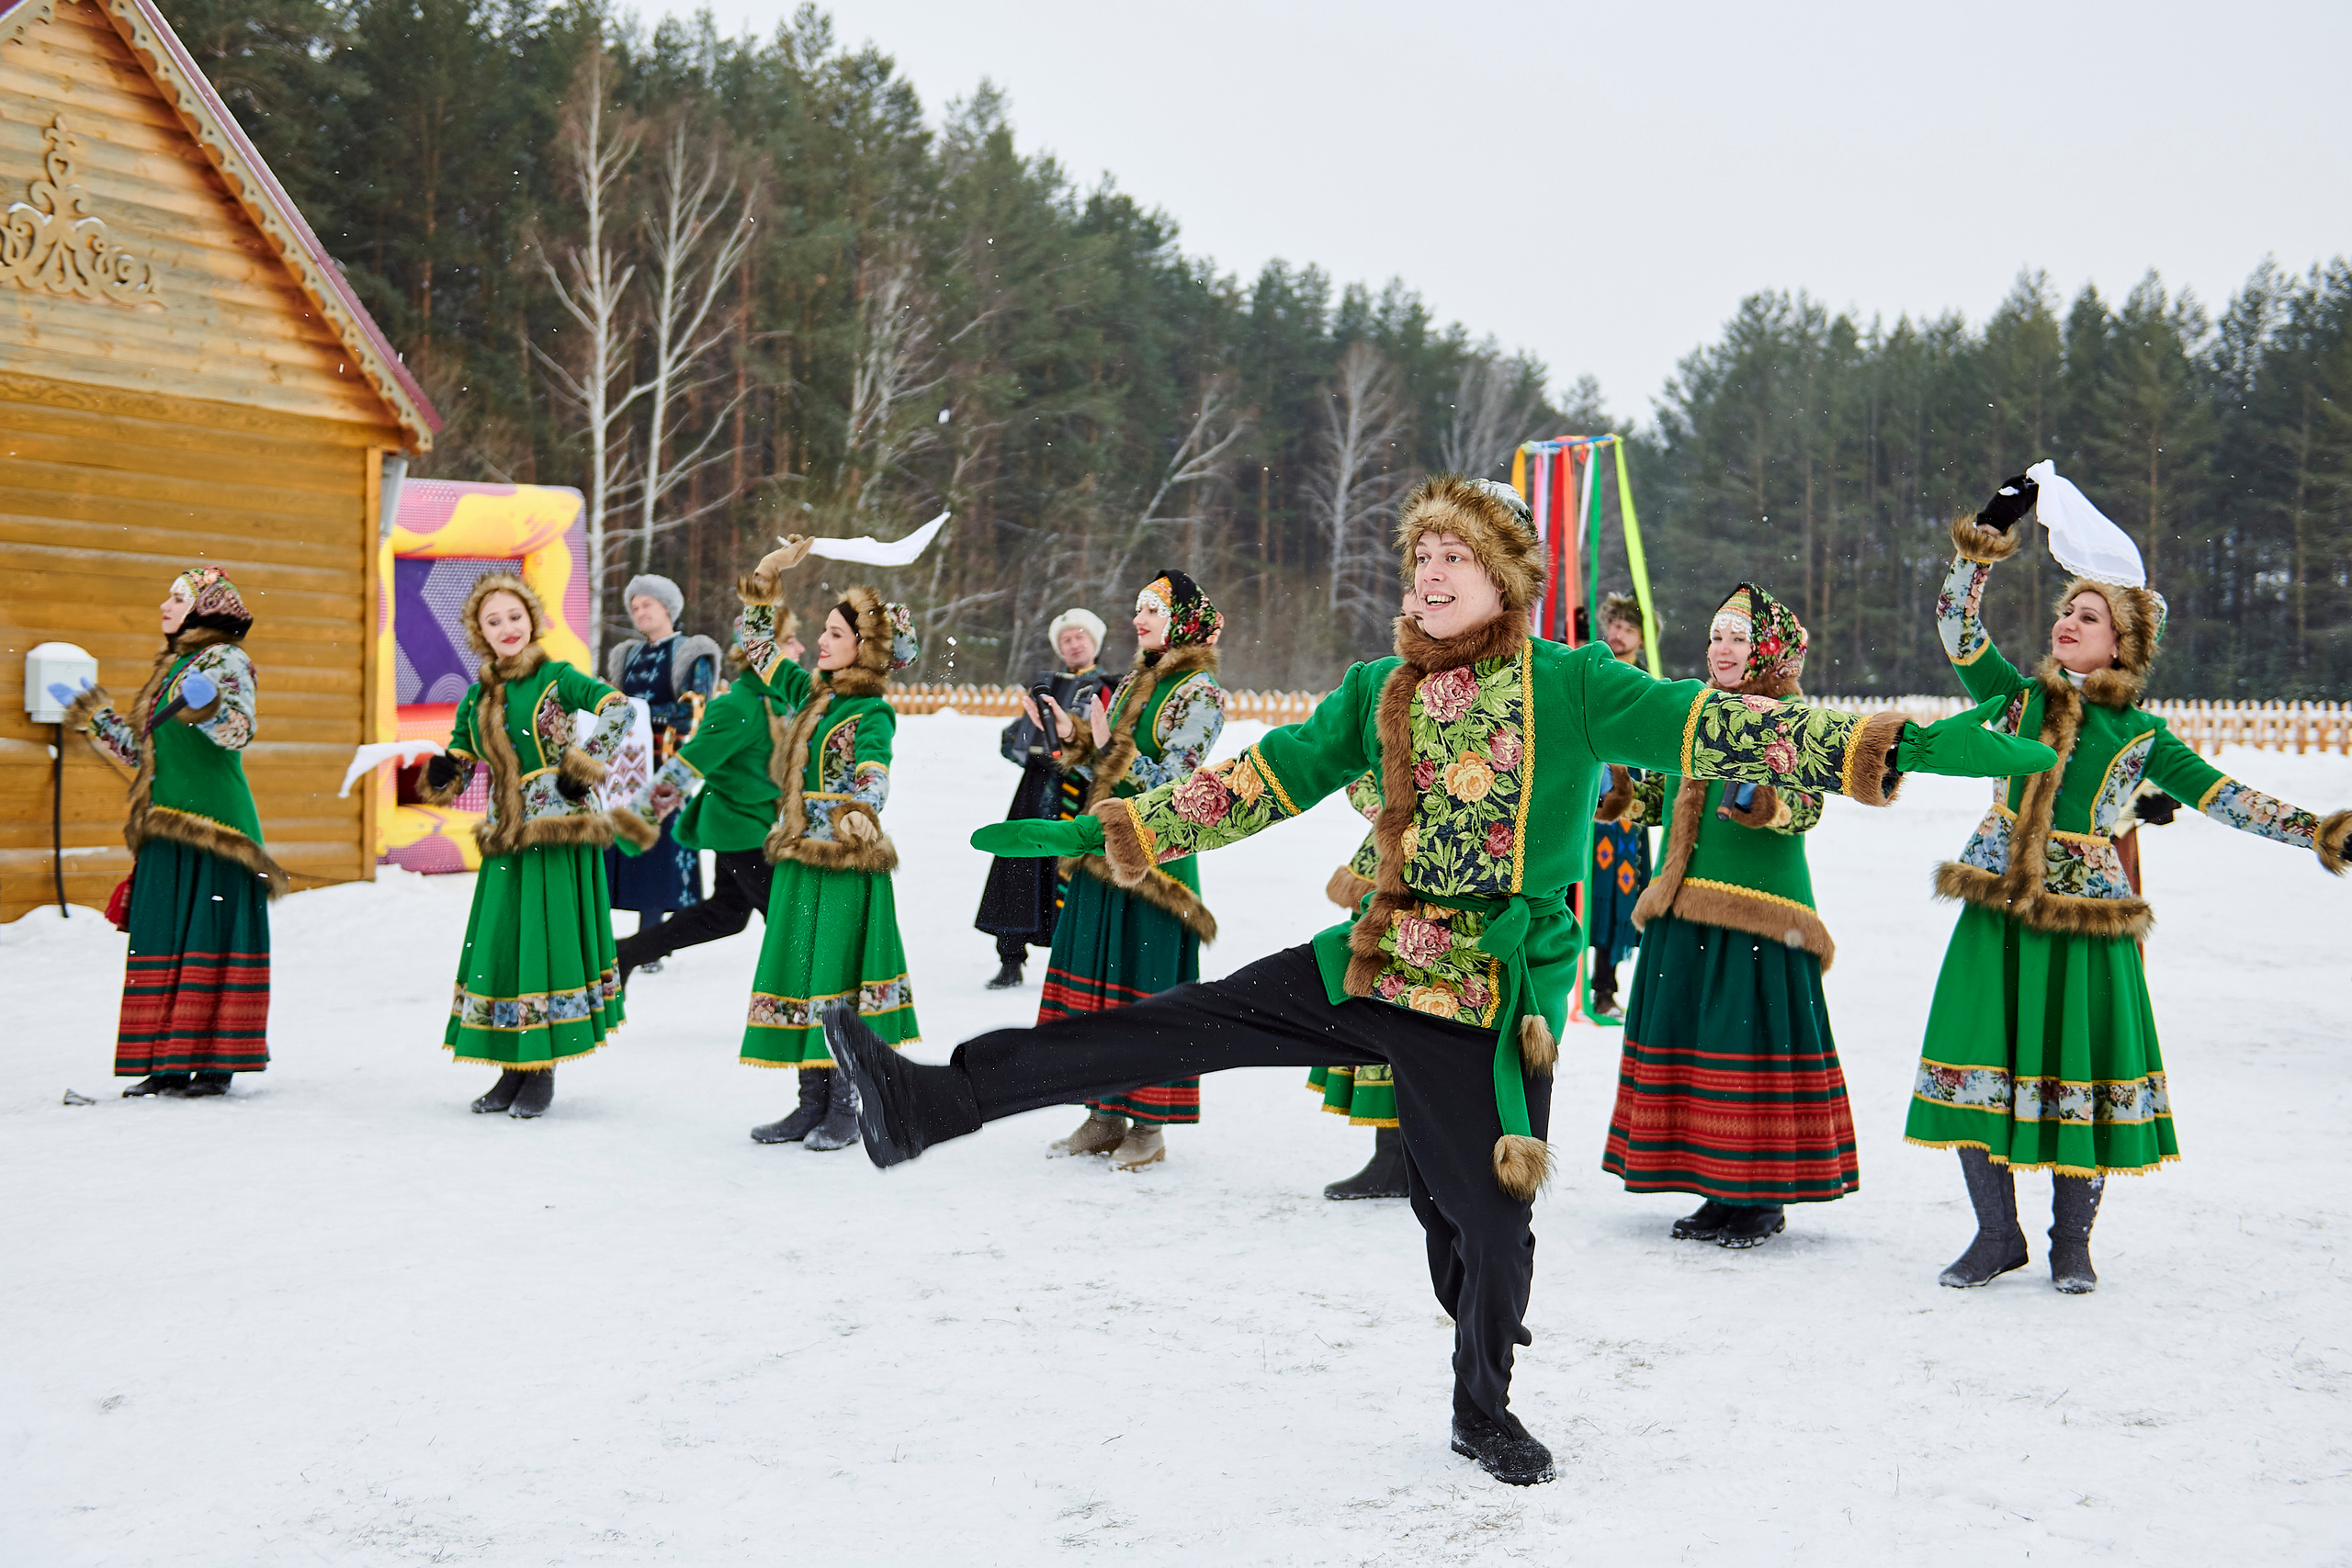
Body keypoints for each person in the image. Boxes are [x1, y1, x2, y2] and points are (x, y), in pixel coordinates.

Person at [813, 474, 2053, 1485]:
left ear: (1504, 579)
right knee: (1160, 1026)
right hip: (1371, 955)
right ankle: (930, 1101)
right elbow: (1266, 779)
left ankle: (1481, 1402)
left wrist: (1912, 740)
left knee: (1485, 1222)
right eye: (1418, 561)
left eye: (1453, 557)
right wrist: (1118, 826)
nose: (1429, 576)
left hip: (1485, 988)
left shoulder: (1572, 683)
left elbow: (1729, 726)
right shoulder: (1382, 690)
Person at [1914, 475, 2351, 1293]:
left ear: (2122, 644)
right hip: (1999, 909)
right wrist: (1984, 538)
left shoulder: (2144, 735)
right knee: (1978, 1056)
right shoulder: (2015, 699)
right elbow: (1957, 626)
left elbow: (2229, 798)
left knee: (2080, 1065)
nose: (2066, 623)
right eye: (2065, 610)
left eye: (2088, 616)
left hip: (2084, 918)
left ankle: (2071, 1243)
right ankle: (1996, 1233)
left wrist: (2319, 829)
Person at [1599, 583, 1856, 1249]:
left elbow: (1807, 807)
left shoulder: (1792, 716)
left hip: (1760, 912)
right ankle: (1718, 1188)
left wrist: (1767, 801)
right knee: (1698, 1043)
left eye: (1737, 638)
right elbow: (1664, 800)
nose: (1722, 648)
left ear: (1766, 649)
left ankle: (1760, 1197)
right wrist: (1621, 789)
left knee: (1749, 1049)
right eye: (1716, 636)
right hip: (1685, 902)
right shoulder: (1699, 711)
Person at [419, 575, 652, 1118]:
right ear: (480, 631)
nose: (506, 628)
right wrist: (443, 770)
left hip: (556, 833)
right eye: (492, 620)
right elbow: (462, 760)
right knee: (507, 949)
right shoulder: (478, 695)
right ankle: (512, 1068)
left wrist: (582, 764)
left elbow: (620, 709)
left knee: (542, 948)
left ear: (531, 620)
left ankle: (539, 1070)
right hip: (506, 838)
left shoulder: (557, 677)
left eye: (514, 617)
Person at [1026, 570, 1227, 1171]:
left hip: (1156, 861)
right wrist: (1079, 743)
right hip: (1105, 853)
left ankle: (1149, 1123)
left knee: (1145, 986)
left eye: (1153, 611)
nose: (1138, 620)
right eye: (1138, 609)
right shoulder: (1141, 676)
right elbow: (1112, 769)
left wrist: (1110, 744)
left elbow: (1175, 783)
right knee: (1099, 985)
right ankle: (1104, 1111)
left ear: (1183, 622)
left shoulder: (1201, 693)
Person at [61, 568, 286, 1099]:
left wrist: (208, 705)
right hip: (165, 821)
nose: (165, 604)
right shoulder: (174, 666)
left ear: (205, 609)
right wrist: (96, 717)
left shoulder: (225, 660)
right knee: (161, 940)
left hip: (214, 826)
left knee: (208, 939)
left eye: (178, 597)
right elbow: (148, 751)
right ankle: (165, 1063)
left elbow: (238, 731)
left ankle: (212, 1064)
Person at [730, 537, 922, 1150]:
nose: (821, 640)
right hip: (797, 858)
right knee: (800, 973)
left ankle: (846, 1100)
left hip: (842, 861)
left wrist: (863, 811)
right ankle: (808, 1100)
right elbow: (757, 650)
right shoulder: (811, 693)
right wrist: (768, 573)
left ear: (863, 649)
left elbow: (874, 767)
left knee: (834, 980)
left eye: (835, 634)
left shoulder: (871, 710)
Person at [609, 611, 798, 990]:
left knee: (727, 915)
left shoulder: (777, 701)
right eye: (791, 639)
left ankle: (626, 953)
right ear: (766, 650)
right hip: (742, 832)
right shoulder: (737, 708)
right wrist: (637, 821)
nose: (801, 647)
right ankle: (800, 1009)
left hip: (755, 825)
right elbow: (686, 767)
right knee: (793, 921)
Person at [974, 608, 1116, 990]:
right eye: (1066, 639)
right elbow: (1015, 742)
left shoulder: (1111, 687)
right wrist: (1023, 736)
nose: (1073, 644)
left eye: (1080, 637)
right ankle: (1010, 958)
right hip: (1036, 789)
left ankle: (1077, 962)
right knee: (1020, 863)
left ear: (1094, 642)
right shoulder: (1043, 687)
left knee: (1074, 870)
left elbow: (1111, 743)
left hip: (1080, 789)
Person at [603, 574, 722, 971]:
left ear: (667, 607)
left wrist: (638, 713)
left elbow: (694, 709)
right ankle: (611, 942)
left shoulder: (692, 652)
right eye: (634, 607)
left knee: (657, 855)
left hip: (667, 767)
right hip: (625, 766)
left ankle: (649, 943)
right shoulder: (627, 656)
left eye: (646, 605)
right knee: (617, 849)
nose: (639, 613)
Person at [1314, 772, 1408, 1200]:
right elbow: (1358, 766)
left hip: (1451, 865)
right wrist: (1377, 804)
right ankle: (1395, 1157)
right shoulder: (1392, 703)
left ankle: (1413, 1159)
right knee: (1385, 1006)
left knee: (1423, 1009)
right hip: (1387, 867)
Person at [1586, 592, 1654, 1020]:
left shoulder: (1648, 684)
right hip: (1586, 803)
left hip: (1629, 811)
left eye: (1628, 628)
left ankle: (1604, 990)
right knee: (1579, 894)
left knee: (1619, 900)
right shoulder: (1591, 668)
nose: (1618, 633)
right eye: (1614, 625)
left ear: (1643, 639)